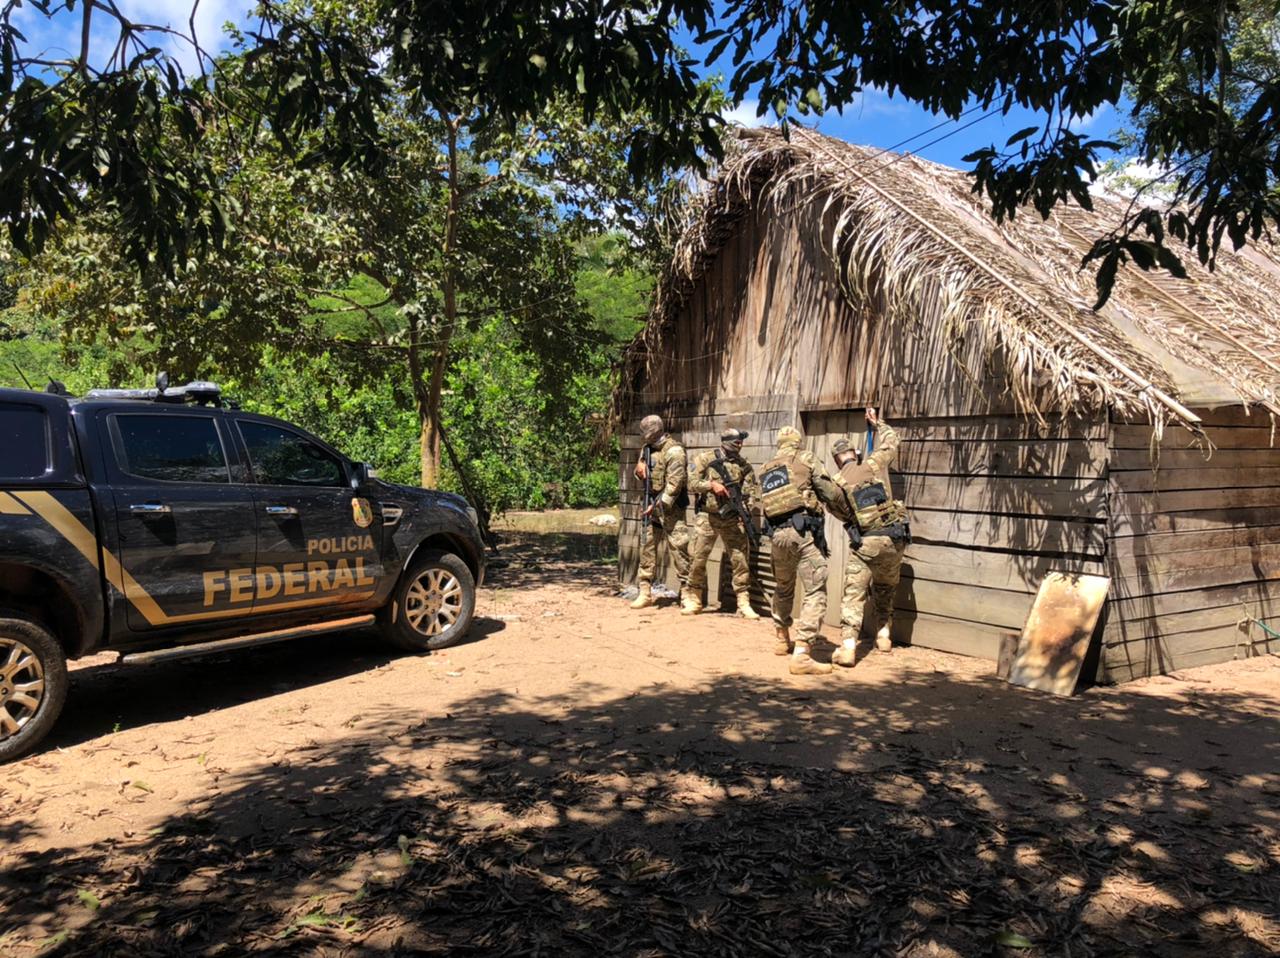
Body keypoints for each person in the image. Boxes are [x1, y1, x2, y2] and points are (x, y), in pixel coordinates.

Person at [758, 425, 847, 674]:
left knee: (783, 588)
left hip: (777, 536)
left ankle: (781, 638)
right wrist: (846, 511)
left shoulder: (766, 468)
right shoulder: (806, 458)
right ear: (798, 442)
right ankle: (802, 653)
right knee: (815, 589)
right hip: (802, 534)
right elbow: (828, 492)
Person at [830, 407, 909, 665]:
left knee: (854, 593)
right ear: (855, 454)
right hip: (895, 539)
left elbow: (841, 513)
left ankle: (849, 647)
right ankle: (884, 635)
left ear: (837, 460)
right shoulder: (873, 464)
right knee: (886, 587)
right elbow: (892, 441)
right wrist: (878, 424)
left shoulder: (837, 481)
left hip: (868, 542)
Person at [684, 426, 762, 618]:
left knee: (740, 559)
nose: (740, 445)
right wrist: (711, 485)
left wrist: (745, 512)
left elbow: (751, 492)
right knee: (697, 557)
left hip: (732, 519)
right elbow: (691, 483)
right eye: (737, 442)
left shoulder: (744, 465)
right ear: (726, 442)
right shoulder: (705, 459)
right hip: (707, 517)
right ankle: (693, 598)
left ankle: (743, 602)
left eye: (741, 442)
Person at [630, 414, 691, 609]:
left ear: (654, 431)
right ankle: (645, 590)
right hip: (651, 503)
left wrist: (656, 506)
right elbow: (643, 472)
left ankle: (687, 593)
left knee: (679, 549)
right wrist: (638, 469)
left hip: (670, 507)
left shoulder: (674, 451)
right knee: (646, 547)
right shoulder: (647, 449)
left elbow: (674, 485)